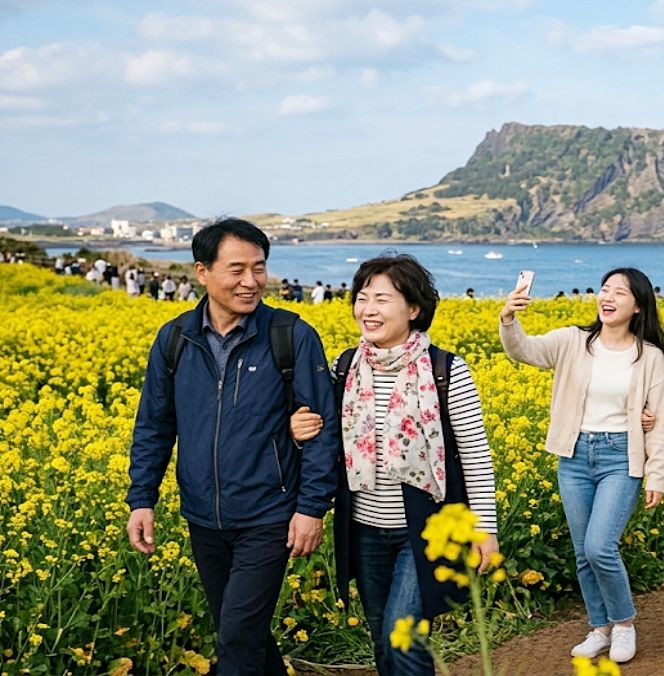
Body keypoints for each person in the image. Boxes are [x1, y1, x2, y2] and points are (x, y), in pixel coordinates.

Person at [125, 218, 340, 674]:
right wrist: (142, 498)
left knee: (237, 636)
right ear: (202, 272)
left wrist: (312, 507)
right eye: (237, 269)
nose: (251, 282)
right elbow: (155, 426)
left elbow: (323, 427)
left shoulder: (290, 336)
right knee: (243, 630)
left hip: (268, 514)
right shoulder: (175, 339)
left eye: (259, 268)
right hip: (203, 515)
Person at [290, 255, 500, 675]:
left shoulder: (446, 370)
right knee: (380, 643)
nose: (368, 309)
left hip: (424, 530)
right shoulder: (344, 367)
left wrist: (486, 532)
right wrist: (298, 429)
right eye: (362, 298)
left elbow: (475, 455)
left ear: (414, 309)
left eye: (382, 299)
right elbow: (326, 440)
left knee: (400, 638)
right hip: (364, 528)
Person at [500, 267, 664, 665]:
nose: (607, 297)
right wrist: (509, 318)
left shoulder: (650, 357)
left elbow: (661, 419)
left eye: (620, 293)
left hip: (620, 457)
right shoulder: (572, 341)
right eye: (605, 289)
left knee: (600, 546)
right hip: (574, 455)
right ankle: (600, 627)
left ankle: (624, 623)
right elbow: (522, 350)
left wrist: (657, 475)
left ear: (638, 306)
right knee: (583, 551)